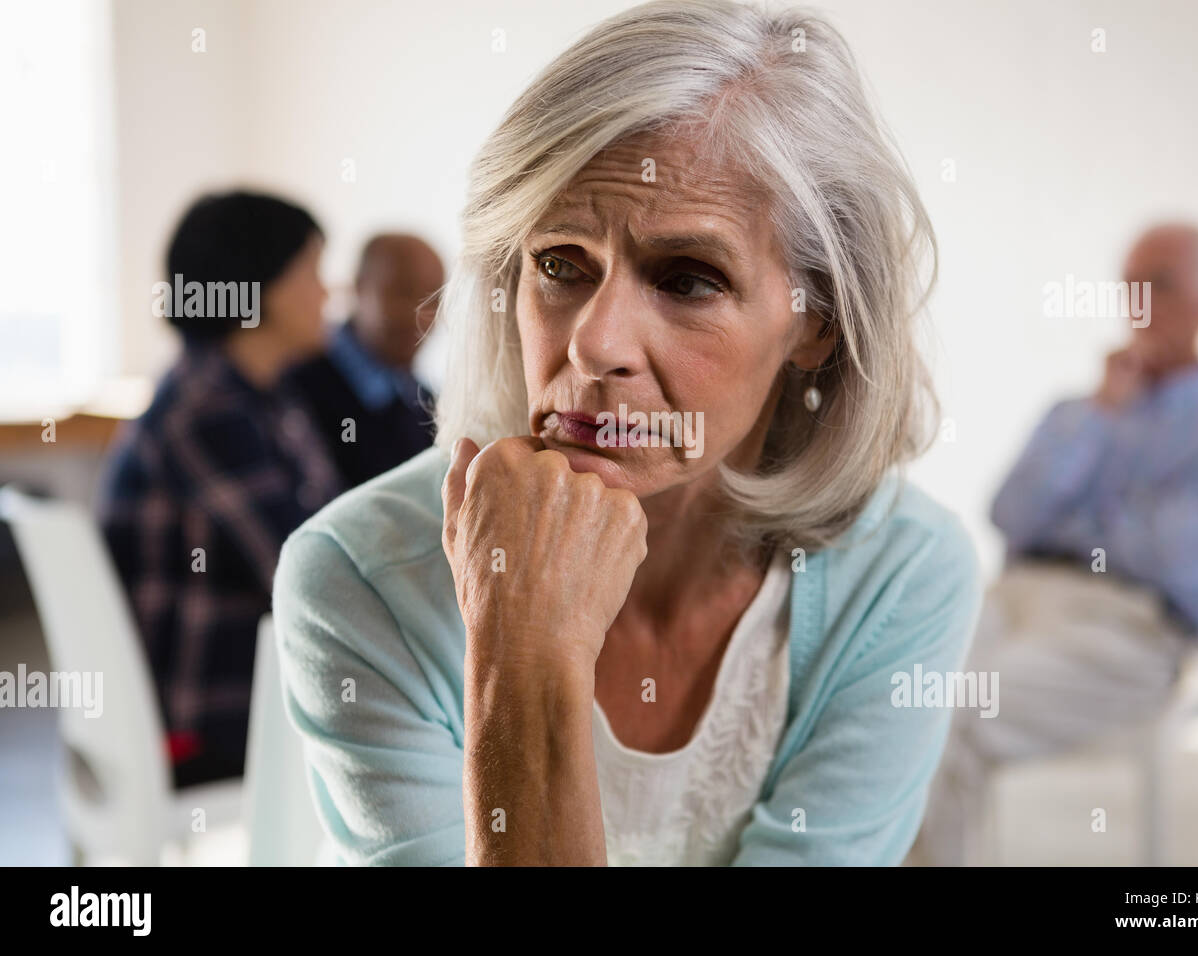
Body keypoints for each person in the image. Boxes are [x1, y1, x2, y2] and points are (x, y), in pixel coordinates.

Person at [272, 0, 982, 866]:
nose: (594, 343)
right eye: (560, 264)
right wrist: (524, 646)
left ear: (816, 323)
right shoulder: (359, 578)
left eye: (687, 280)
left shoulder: (902, 574)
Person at [909, 223, 1198, 866]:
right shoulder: (1075, 414)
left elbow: (1178, 556)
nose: (1139, 304)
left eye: (1160, 285)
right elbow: (1011, 513)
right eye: (1130, 286)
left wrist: (1073, 526)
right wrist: (1102, 417)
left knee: (947, 716)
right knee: (894, 694)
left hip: (1129, 631)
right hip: (1011, 601)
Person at [97, 191, 346, 788]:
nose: (326, 293)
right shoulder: (207, 410)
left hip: (224, 706)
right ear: (257, 285)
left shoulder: (255, 394)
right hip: (205, 726)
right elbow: (307, 569)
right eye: (311, 271)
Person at [281, 233, 444, 489]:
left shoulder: (425, 402)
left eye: (433, 299)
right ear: (358, 287)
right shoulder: (293, 384)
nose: (420, 314)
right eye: (402, 293)